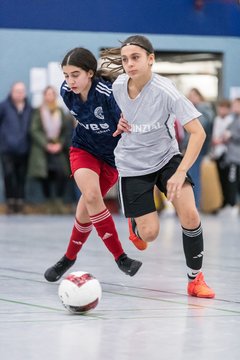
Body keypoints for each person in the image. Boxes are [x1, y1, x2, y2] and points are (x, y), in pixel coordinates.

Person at [101, 35, 215, 298]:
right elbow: (108, 116)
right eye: (125, 59)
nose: (129, 64)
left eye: (136, 58)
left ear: (151, 60)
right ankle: (137, 226)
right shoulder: (118, 86)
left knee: (190, 214)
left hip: (166, 159)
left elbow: (197, 133)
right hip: (132, 164)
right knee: (150, 235)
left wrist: (181, 171)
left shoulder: (166, 91)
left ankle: (195, 279)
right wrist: (115, 123)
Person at [44, 47, 142, 282]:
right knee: (91, 196)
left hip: (111, 159)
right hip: (83, 150)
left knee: (85, 211)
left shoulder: (108, 94)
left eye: (75, 74)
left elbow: (128, 119)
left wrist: (124, 124)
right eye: (66, 75)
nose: (70, 81)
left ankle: (69, 257)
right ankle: (121, 258)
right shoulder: (66, 92)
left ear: (90, 73)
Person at [28, 86, 71, 213]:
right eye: (47, 94)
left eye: (52, 94)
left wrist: (60, 144)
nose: (50, 96)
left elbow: (65, 131)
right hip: (43, 150)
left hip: (58, 149)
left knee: (62, 174)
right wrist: (46, 144)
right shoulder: (38, 111)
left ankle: (58, 202)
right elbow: (34, 130)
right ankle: (48, 203)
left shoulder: (60, 111)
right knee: (45, 176)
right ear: (44, 96)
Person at [0, 82, 32, 214]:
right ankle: (10, 201)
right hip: (7, 148)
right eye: (17, 91)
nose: (19, 94)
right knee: (8, 175)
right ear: (12, 92)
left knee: (21, 176)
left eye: (22, 91)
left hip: (24, 148)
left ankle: (20, 201)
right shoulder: (3, 106)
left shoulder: (29, 108)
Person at [185, 88, 215, 209]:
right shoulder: (199, 109)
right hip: (196, 148)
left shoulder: (203, 109)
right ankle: (193, 205)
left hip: (198, 149)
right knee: (193, 176)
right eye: (189, 96)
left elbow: (198, 129)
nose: (191, 98)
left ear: (199, 96)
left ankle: (194, 206)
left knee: (193, 177)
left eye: (193, 95)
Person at [211, 99, 233, 208]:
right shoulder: (217, 120)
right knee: (220, 179)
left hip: (227, 154)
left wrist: (219, 141)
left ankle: (230, 202)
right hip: (217, 153)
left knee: (228, 179)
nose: (222, 110)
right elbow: (214, 136)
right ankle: (222, 201)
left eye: (224, 108)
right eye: (220, 107)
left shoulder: (231, 121)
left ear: (228, 109)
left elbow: (228, 137)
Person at [220, 97, 240, 214]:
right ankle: (231, 204)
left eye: (237, 105)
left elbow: (233, 135)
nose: (234, 107)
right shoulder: (234, 119)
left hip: (236, 158)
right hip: (232, 156)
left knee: (232, 181)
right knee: (231, 181)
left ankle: (232, 205)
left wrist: (231, 135)